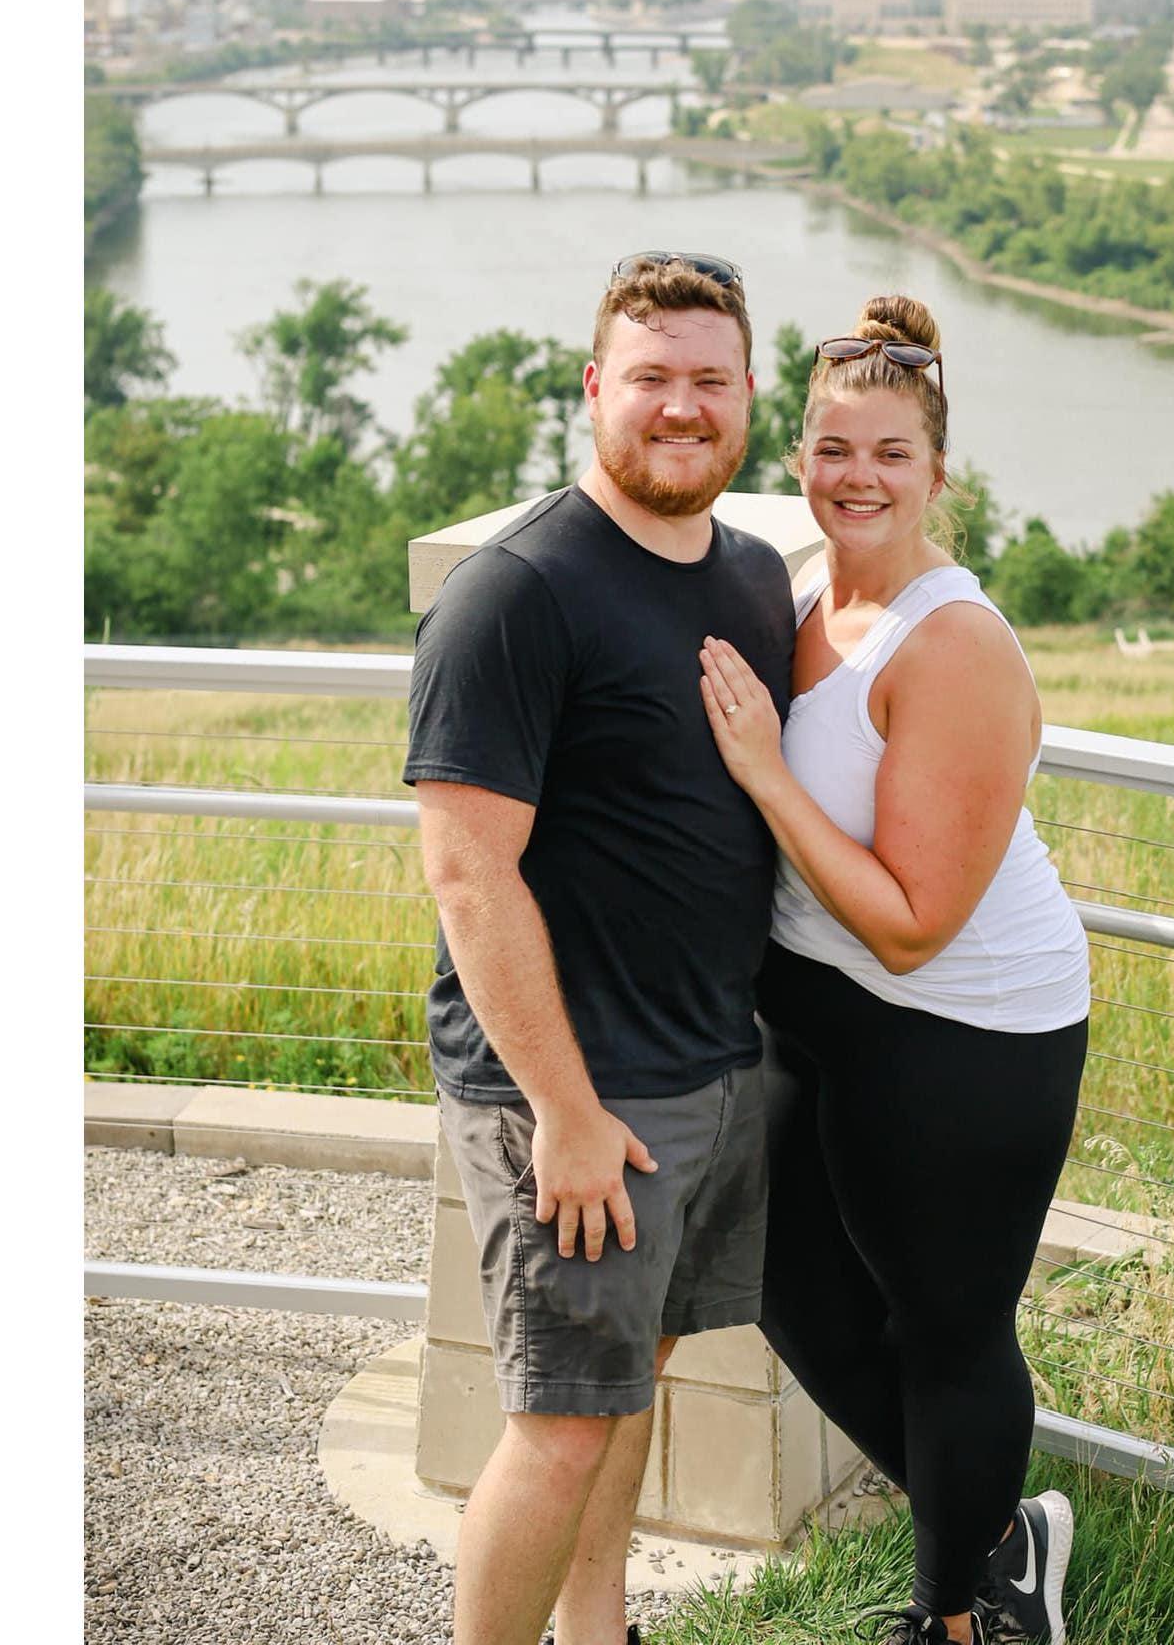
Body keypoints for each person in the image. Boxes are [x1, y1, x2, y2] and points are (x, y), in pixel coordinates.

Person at [404, 253, 795, 1645]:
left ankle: (598, 1634)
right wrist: (564, 1111)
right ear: (593, 391)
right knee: (561, 1424)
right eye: (651, 378)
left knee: (629, 1388)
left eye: (708, 378)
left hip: (705, 1067)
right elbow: (466, 869)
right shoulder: (518, 594)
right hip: (574, 1094)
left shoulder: (752, 575)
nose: (680, 407)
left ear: (750, 391)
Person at [695, 293, 1092, 1645]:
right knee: (792, 1291)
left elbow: (914, 920)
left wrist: (759, 771)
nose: (855, 478)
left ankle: (957, 1619)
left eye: (889, 455)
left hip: (966, 1031)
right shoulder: (804, 587)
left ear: (938, 471)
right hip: (822, 1016)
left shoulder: (957, 644)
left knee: (944, 1327)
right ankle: (997, 1536)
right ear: (795, 455)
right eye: (830, 450)